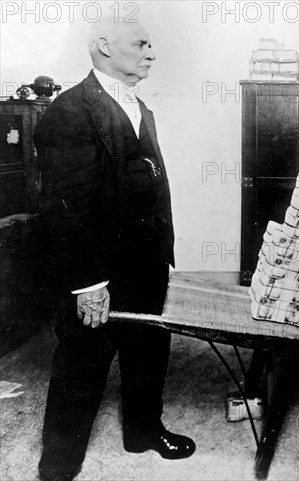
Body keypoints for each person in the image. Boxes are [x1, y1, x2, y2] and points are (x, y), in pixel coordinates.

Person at [34, 18, 195, 481]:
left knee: (149, 348)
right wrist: (89, 285)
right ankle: (58, 466)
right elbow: (66, 208)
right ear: (105, 46)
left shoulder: (140, 106)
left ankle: (143, 431)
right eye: (141, 43)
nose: (151, 53)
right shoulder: (69, 112)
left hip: (145, 259)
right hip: (97, 269)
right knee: (83, 360)